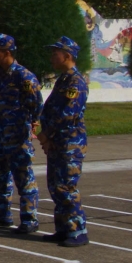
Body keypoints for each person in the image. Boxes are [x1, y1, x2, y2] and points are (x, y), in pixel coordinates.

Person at [0, 34, 42, 233]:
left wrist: (30, 126)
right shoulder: (1, 75)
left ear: (6, 53)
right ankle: (2, 215)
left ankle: (29, 219)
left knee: (23, 178)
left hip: (17, 137)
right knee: (0, 177)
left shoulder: (23, 76)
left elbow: (36, 104)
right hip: (0, 135)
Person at [39, 36, 90, 247]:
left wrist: (47, 134)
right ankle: (63, 228)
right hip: (58, 142)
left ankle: (78, 231)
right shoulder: (63, 80)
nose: (52, 57)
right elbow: (50, 109)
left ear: (67, 56)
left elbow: (68, 114)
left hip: (70, 143)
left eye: (55, 53)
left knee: (66, 187)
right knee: (55, 186)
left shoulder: (75, 82)